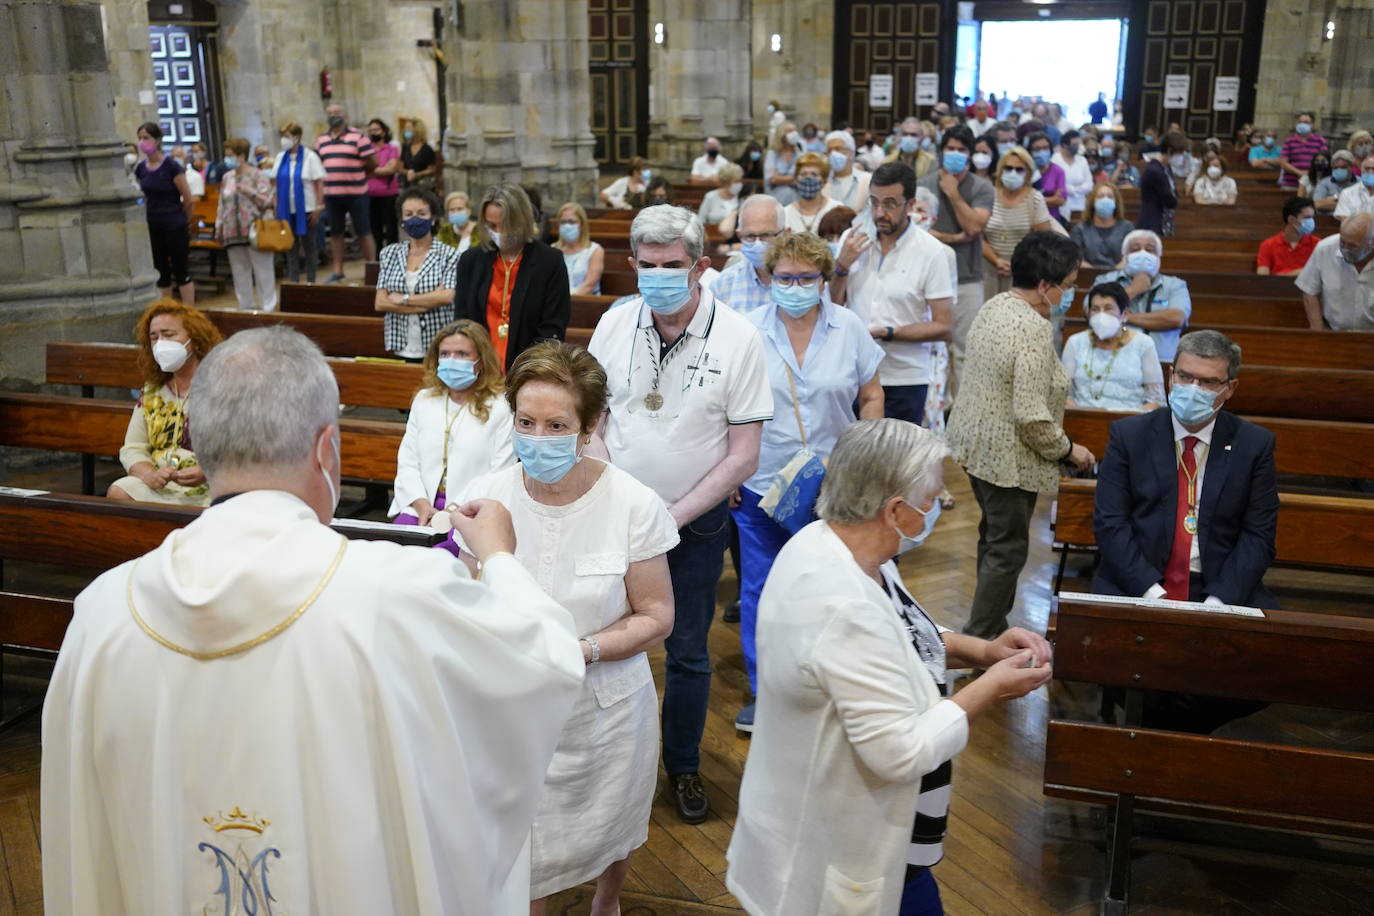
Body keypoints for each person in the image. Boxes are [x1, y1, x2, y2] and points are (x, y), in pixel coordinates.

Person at [42, 325, 585, 914]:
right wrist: (500, 558)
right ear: (327, 448)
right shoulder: (398, 593)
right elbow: (545, 662)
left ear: (198, 442)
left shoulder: (102, 612)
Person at [725, 419, 1053, 916]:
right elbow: (899, 752)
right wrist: (988, 688)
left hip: (871, 835)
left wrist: (984, 652)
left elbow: (903, 635)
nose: (940, 503)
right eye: (935, 495)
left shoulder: (839, 544)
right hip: (842, 839)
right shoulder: (841, 605)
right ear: (896, 509)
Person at [450, 342, 675, 916]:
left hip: (605, 708)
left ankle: (607, 900)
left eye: (556, 425)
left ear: (590, 426)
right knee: (528, 848)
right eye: (526, 422)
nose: (538, 438)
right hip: (512, 708)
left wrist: (582, 650)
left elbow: (656, 616)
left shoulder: (633, 503)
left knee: (612, 820)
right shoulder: (490, 496)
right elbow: (467, 596)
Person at [587, 205, 772, 824]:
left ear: (700, 267)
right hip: (613, 516)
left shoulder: (740, 339)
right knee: (603, 638)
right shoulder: (614, 324)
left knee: (688, 648)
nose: (660, 275)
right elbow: (592, 422)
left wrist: (672, 513)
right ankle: (607, 764)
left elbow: (744, 455)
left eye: (673, 266)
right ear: (632, 264)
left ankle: (684, 766)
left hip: (695, 524)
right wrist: (615, 490)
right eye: (648, 265)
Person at [730, 231, 884, 732]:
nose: (794, 286)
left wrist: (864, 453)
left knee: (837, 585)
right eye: (784, 277)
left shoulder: (849, 327)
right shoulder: (747, 330)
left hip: (835, 481)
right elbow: (725, 406)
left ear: (824, 279)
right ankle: (765, 689)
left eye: (805, 278)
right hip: (763, 479)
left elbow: (872, 394)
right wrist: (728, 468)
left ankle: (839, 683)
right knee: (760, 587)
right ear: (769, 279)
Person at [1092, 330, 1277, 733]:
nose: (1193, 389)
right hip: (1139, 585)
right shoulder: (1129, 436)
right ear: (1171, 375)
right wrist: (1152, 595)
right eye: (1186, 377)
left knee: (1272, 667)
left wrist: (1218, 603)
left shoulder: (1253, 445)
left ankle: (1161, 738)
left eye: (1208, 382)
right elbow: (1110, 525)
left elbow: (1258, 536)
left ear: (1229, 389)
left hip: (1216, 587)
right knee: (1152, 675)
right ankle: (1170, 747)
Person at [947, 231, 1096, 640]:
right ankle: (979, 641)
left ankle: (990, 626)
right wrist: (1069, 451)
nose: (1072, 292)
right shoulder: (1031, 328)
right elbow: (1031, 416)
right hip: (1006, 460)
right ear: (1045, 286)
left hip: (974, 447)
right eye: (1068, 284)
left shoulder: (994, 305)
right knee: (1007, 549)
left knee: (995, 538)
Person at [390, 321, 513, 558]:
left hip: (471, 508)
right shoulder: (425, 400)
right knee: (396, 551)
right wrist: (421, 504)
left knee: (440, 557)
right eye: (445, 354)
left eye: (462, 354)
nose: (451, 360)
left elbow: (501, 472)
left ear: (481, 361)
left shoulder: (501, 406)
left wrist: (456, 509)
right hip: (421, 503)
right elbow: (407, 460)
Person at [108, 300, 223, 506]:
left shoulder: (224, 387)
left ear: (195, 339)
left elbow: (244, 448)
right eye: (154, 337)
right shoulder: (153, 390)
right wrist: (148, 474)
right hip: (161, 485)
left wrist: (207, 470)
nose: (161, 343)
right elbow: (133, 446)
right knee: (120, 491)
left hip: (213, 485)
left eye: (168, 335)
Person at [454, 183, 571, 370]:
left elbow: (552, 327)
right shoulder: (471, 260)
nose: (499, 232)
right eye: (492, 225)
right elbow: (462, 320)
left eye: (506, 225)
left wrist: (525, 371)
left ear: (523, 220)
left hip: (529, 368)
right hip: (480, 366)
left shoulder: (550, 261)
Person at [918, 124, 994, 388]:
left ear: (970, 154)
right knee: (932, 350)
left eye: (961, 150)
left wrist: (952, 193)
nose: (955, 154)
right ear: (941, 151)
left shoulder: (982, 188)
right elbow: (919, 230)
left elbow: (974, 227)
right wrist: (953, 238)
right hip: (928, 281)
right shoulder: (923, 185)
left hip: (967, 278)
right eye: (950, 148)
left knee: (966, 352)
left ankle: (962, 418)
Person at [373, 187, 459, 361]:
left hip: (439, 344)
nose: (415, 219)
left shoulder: (449, 254)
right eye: (409, 214)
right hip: (401, 343)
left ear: (433, 218)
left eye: (421, 213)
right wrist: (427, 302)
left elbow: (446, 297)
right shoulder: (389, 253)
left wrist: (404, 299)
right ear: (402, 220)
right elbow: (380, 303)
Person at [1062, 282, 1164, 411]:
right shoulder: (1075, 342)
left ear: (1124, 314)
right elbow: (1063, 394)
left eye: (1108, 308)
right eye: (1095, 309)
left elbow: (1156, 400)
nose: (1101, 315)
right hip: (1083, 420)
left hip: (1129, 421)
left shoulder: (1143, 343)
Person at [1092, 230, 1192, 361]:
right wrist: (1133, 290)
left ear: (1159, 257)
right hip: (1112, 361)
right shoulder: (1104, 280)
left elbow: (1176, 318)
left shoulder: (1175, 285)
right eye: (1135, 249)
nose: (1143, 253)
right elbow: (1093, 313)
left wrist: (1125, 317)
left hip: (1161, 363)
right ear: (1124, 256)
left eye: (1150, 250)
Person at [132, 121, 196, 305]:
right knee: (160, 271)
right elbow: (141, 195)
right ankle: (166, 308)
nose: (142, 142)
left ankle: (189, 311)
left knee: (181, 269)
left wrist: (185, 220)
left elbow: (188, 199)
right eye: (140, 138)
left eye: (146, 138)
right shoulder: (141, 168)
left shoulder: (171, 166)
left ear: (157, 140)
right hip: (153, 223)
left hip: (174, 223)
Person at [315, 103, 378, 283]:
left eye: (337, 113)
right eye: (330, 113)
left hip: (356, 193)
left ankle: (371, 269)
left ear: (345, 116)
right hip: (332, 195)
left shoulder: (358, 137)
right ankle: (338, 270)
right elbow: (318, 165)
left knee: (364, 231)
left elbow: (372, 162)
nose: (334, 116)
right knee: (336, 233)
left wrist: (357, 174)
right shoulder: (321, 140)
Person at [214, 137, 278, 312]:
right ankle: (246, 307)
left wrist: (249, 191)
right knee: (239, 271)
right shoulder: (227, 177)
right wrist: (219, 226)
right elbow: (222, 203)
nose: (227, 159)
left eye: (230, 155)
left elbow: (268, 202)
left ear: (241, 156)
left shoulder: (258, 175)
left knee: (263, 271)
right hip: (232, 230)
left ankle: (268, 308)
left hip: (255, 229)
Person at [983, 146, 1055, 299]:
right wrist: (996, 260)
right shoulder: (989, 195)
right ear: (1000, 170)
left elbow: (1043, 240)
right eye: (1008, 168)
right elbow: (978, 236)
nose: (1013, 173)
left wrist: (1016, 265)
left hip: (1024, 273)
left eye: (1019, 169)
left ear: (1028, 172)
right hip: (990, 270)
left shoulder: (1035, 199)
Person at [1297, 210, 1374, 330]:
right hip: (1334, 332)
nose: (1345, 249)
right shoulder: (1325, 248)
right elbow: (1309, 291)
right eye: (1342, 242)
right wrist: (1317, 331)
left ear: (1371, 244)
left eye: (1352, 246)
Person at [272, 120, 326, 284]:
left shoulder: (310, 156)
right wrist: (275, 204)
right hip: (286, 210)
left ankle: (311, 282)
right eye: (282, 137)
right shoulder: (281, 158)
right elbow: (274, 182)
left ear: (297, 137)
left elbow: (320, 183)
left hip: (307, 209)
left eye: (287, 136)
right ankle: (294, 282)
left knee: (309, 246)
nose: (284, 140)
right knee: (290, 248)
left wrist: (318, 207)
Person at [1072, 183, 1134, 268]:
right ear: (1092, 202)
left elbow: (1130, 257)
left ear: (1116, 202)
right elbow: (1076, 259)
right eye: (1101, 196)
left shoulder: (1127, 227)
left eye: (1110, 196)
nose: (1106, 200)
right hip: (1087, 276)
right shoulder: (1080, 229)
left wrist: (1112, 274)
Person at [1256, 196, 1318, 276]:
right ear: (1291, 219)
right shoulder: (1268, 245)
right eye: (1307, 217)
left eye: (1312, 217)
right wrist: (1296, 273)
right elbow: (1262, 278)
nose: (1311, 221)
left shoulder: (1318, 244)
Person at [553, 202, 604, 296]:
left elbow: (589, 285)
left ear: (581, 224)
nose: (567, 226)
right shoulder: (552, 250)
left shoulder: (595, 250)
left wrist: (568, 302)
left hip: (585, 302)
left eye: (572, 222)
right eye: (563, 222)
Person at [781, 152, 840, 234]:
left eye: (814, 174)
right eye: (803, 174)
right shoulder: (785, 214)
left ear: (824, 181)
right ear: (796, 180)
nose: (808, 178)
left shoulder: (836, 210)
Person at [365, 119, 401, 251]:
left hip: (389, 194)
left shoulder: (392, 149)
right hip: (370, 195)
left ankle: (394, 258)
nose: (373, 133)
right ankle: (378, 261)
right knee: (375, 231)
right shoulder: (366, 150)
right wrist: (380, 170)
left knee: (391, 229)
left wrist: (371, 171)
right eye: (370, 131)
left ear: (384, 132)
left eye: (376, 130)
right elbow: (362, 170)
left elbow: (391, 169)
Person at [1137, 132, 1182, 235]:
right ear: (1170, 151)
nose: (1181, 158)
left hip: (1165, 220)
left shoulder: (1166, 168)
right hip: (1152, 221)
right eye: (1179, 153)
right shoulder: (1154, 170)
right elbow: (1169, 199)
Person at [1278, 111, 1328, 190]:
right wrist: (1300, 173)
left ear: (1312, 124)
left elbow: (1324, 160)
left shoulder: (1320, 141)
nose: (1302, 124)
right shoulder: (1289, 141)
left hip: (1312, 183)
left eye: (1306, 122)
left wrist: (1310, 174)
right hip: (1291, 183)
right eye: (1300, 122)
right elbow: (1283, 163)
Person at [825, 130, 871, 212]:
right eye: (829, 150)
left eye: (838, 149)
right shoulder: (823, 181)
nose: (833, 153)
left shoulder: (867, 180)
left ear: (851, 152)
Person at [1053, 130, 1094, 221]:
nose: (1078, 147)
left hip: (1080, 205)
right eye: (1075, 144)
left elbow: (1089, 185)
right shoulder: (1055, 160)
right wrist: (1075, 189)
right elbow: (1057, 186)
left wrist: (1072, 190)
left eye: (1079, 144)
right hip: (1061, 206)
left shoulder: (1082, 160)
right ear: (1065, 145)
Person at [1027, 132, 1067, 222]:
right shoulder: (1025, 170)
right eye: (1037, 149)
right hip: (1029, 218)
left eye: (1045, 148)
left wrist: (1034, 200)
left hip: (1052, 218)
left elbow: (1060, 200)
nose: (1042, 152)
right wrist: (1050, 200)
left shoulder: (1058, 171)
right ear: (1030, 151)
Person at [698, 162, 744, 228]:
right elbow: (700, 221)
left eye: (740, 181)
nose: (739, 184)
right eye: (736, 181)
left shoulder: (741, 197)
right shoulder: (710, 196)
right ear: (726, 182)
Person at [764, 122, 800, 206]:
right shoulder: (772, 154)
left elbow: (800, 179)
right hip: (776, 200)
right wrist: (792, 179)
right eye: (790, 131)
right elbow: (771, 179)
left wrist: (779, 177)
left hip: (796, 200)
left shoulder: (799, 155)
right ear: (782, 135)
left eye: (795, 130)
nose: (794, 133)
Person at [1333, 153, 1374, 221]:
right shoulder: (1347, 193)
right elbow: (1344, 218)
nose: (1370, 172)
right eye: (1367, 169)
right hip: (1354, 231)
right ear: (1361, 170)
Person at [436, 190, 478, 255]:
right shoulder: (445, 231)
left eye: (460, 209)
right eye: (452, 210)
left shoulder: (480, 231)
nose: (456, 213)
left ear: (469, 210)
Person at [401, 118, 438, 190]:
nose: (406, 130)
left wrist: (417, 174)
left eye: (409, 128)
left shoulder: (427, 149)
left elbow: (432, 169)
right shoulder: (405, 147)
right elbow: (400, 167)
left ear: (417, 130)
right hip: (408, 185)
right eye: (405, 128)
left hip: (423, 185)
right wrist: (408, 172)